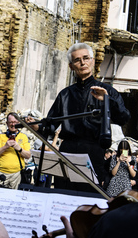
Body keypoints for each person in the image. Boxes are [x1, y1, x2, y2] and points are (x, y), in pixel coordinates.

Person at [44, 43, 130, 190]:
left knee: (88, 201)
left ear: (92, 61)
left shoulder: (107, 91)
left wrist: (108, 100)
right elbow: (49, 125)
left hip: (93, 152)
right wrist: (36, 126)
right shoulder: (65, 94)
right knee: (62, 196)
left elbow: (124, 118)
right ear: (71, 66)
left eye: (86, 58)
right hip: (67, 151)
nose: (82, 63)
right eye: (77, 60)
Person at [0, 113, 32, 208]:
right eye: (10, 122)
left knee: (13, 200)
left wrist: (19, 148)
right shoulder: (1, 137)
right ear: (6, 123)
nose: (13, 124)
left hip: (16, 175)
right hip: (0, 173)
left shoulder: (24, 137)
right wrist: (5, 146)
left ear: (19, 123)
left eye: (15, 122)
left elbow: (28, 155)